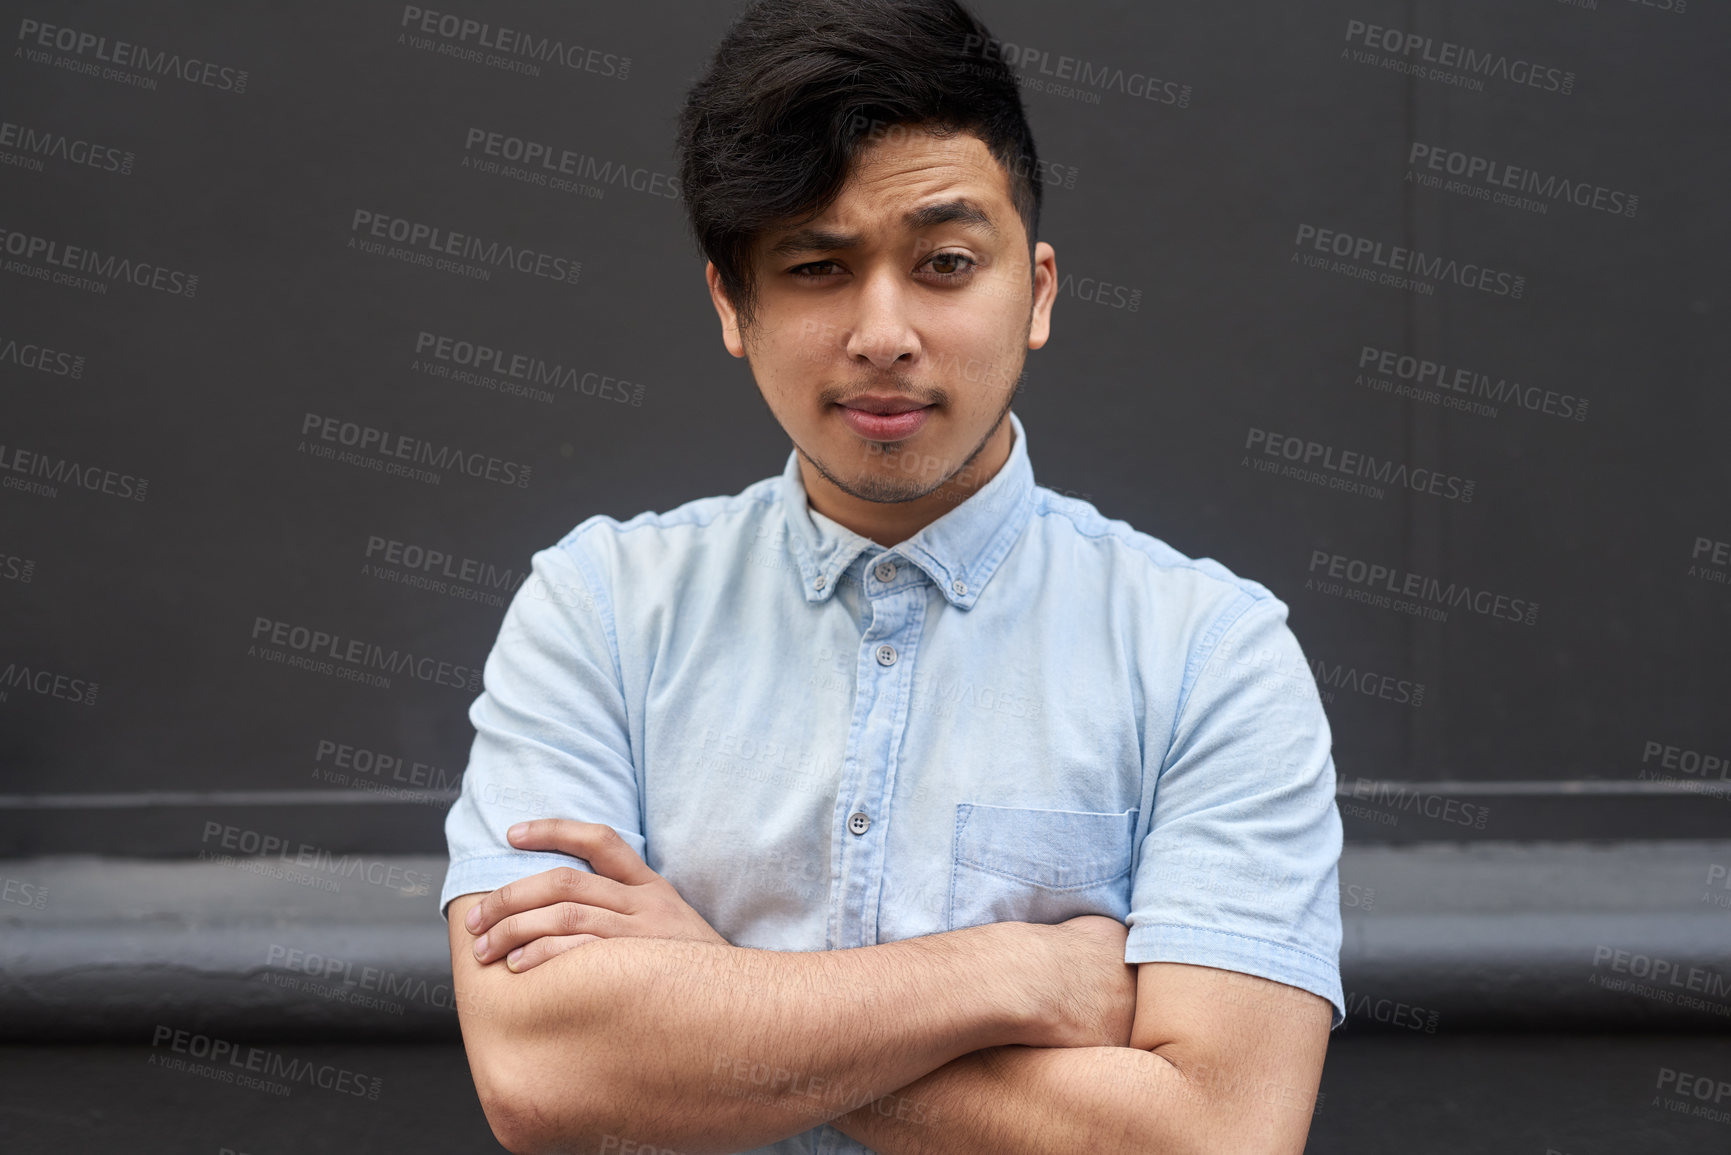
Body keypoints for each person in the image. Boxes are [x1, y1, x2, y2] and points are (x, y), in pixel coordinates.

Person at [441, 1, 1343, 1152]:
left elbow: (1215, 1138)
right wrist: (1013, 973)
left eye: (946, 264)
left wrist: (707, 995)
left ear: (1041, 290)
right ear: (732, 302)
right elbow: (540, 1068)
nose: (884, 332)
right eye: (817, 266)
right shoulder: (601, 608)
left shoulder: (1208, 650)